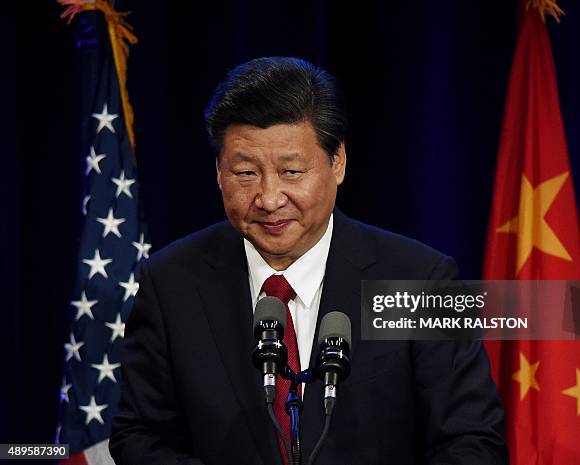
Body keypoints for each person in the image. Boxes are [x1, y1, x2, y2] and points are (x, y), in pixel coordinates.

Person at [110, 57, 508, 465]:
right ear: (218, 171)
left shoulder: (423, 280)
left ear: (338, 163)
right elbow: (140, 435)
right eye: (245, 173)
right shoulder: (171, 281)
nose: (268, 198)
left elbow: (472, 442)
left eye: (292, 172)